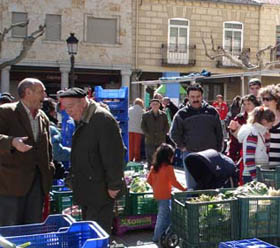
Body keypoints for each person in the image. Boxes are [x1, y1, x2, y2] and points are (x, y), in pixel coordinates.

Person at [59, 87, 126, 234]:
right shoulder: (83, 118)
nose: (68, 111)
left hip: (100, 190)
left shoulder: (102, 119)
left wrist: (114, 185)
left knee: (98, 233)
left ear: (83, 102)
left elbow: (114, 155)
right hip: (87, 188)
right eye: (65, 108)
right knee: (90, 231)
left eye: (70, 107)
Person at [0, 78, 54, 226]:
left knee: (33, 228)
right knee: (10, 231)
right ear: (27, 92)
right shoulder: (6, 112)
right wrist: (11, 142)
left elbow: (47, 148)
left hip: (37, 185)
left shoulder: (43, 117)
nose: (45, 95)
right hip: (10, 185)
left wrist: (49, 170)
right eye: (41, 91)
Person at [170, 84, 223, 189]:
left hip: (210, 156)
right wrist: (183, 147)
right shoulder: (181, 114)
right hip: (190, 155)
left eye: (198, 96)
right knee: (192, 187)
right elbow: (174, 133)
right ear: (188, 97)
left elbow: (220, 132)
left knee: (211, 186)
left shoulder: (212, 112)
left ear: (202, 96)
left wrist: (218, 150)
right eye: (192, 97)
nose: (195, 99)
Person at [147, 143, 186, 244]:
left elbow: (149, 180)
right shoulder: (168, 168)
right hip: (165, 195)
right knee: (163, 217)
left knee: (166, 215)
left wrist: (156, 187)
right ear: (169, 157)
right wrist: (184, 189)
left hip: (158, 195)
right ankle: (157, 237)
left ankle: (164, 235)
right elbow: (174, 182)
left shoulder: (154, 167)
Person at [237, 107, 275, 183]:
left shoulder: (259, 133)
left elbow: (264, 153)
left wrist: (267, 140)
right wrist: (255, 178)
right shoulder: (253, 134)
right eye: (272, 122)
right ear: (264, 121)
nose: (272, 125)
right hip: (252, 176)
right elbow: (249, 159)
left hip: (258, 174)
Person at [228, 94, 260, 163]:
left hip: (259, 154)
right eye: (244, 104)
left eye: (249, 104)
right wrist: (232, 158)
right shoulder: (239, 118)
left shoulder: (261, 118)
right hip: (242, 154)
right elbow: (233, 141)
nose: (246, 107)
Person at [141, 98, 169, 167]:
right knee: (150, 156)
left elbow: (167, 126)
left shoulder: (163, 115)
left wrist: (163, 134)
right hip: (150, 139)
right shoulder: (145, 115)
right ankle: (150, 170)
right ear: (150, 105)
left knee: (160, 156)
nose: (155, 106)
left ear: (159, 105)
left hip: (160, 140)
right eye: (153, 104)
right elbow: (143, 126)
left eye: (156, 104)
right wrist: (147, 134)